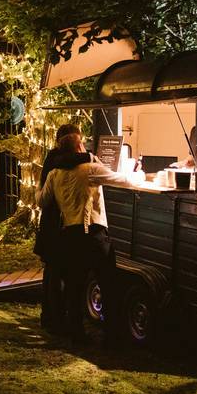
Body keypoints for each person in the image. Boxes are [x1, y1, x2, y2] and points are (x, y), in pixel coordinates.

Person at [37, 132, 130, 344]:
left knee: (74, 286)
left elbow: (42, 201)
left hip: (70, 235)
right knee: (107, 283)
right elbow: (121, 180)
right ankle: (112, 333)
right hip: (94, 233)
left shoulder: (54, 174)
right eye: (82, 143)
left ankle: (76, 332)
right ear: (78, 147)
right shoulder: (91, 168)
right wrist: (140, 174)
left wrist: (37, 188)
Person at [36, 124, 93, 332]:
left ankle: (53, 317)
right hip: (55, 225)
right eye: (79, 142)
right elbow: (72, 160)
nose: (82, 147)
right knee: (55, 274)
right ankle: (53, 319)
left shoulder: (55, 158)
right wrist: (92, 157)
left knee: (55, 273)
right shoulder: (57, 158)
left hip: (55, 225)